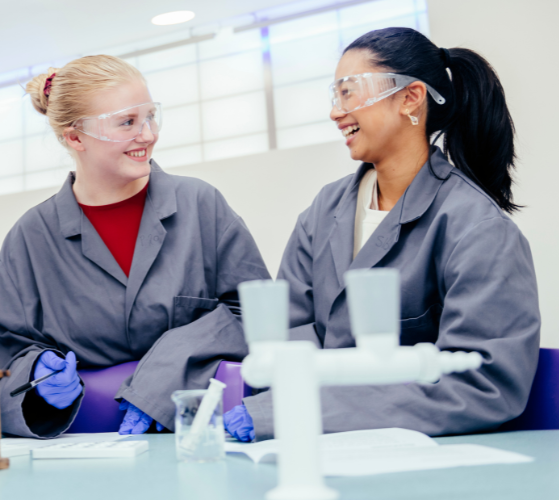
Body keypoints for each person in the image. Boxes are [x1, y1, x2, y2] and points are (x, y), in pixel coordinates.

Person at [224, 27, 540, 441]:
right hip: (318, 450)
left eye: (349, 92)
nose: (336, 112)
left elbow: (483, 383)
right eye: (335, 96)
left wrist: (298, 414)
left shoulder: (477, 229)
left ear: (410, 98)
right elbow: (290, 333)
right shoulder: (324, 212)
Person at [0, 55, 270, 438]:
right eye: (128, 122)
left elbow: (254, 314)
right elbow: (1, 350)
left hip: (200, 435)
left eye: (150, 116)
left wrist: (167, 366)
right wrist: (38, 373)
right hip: (83, 446)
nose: (148, 134)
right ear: (74, 137)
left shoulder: (201, 205)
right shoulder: (32, 235)